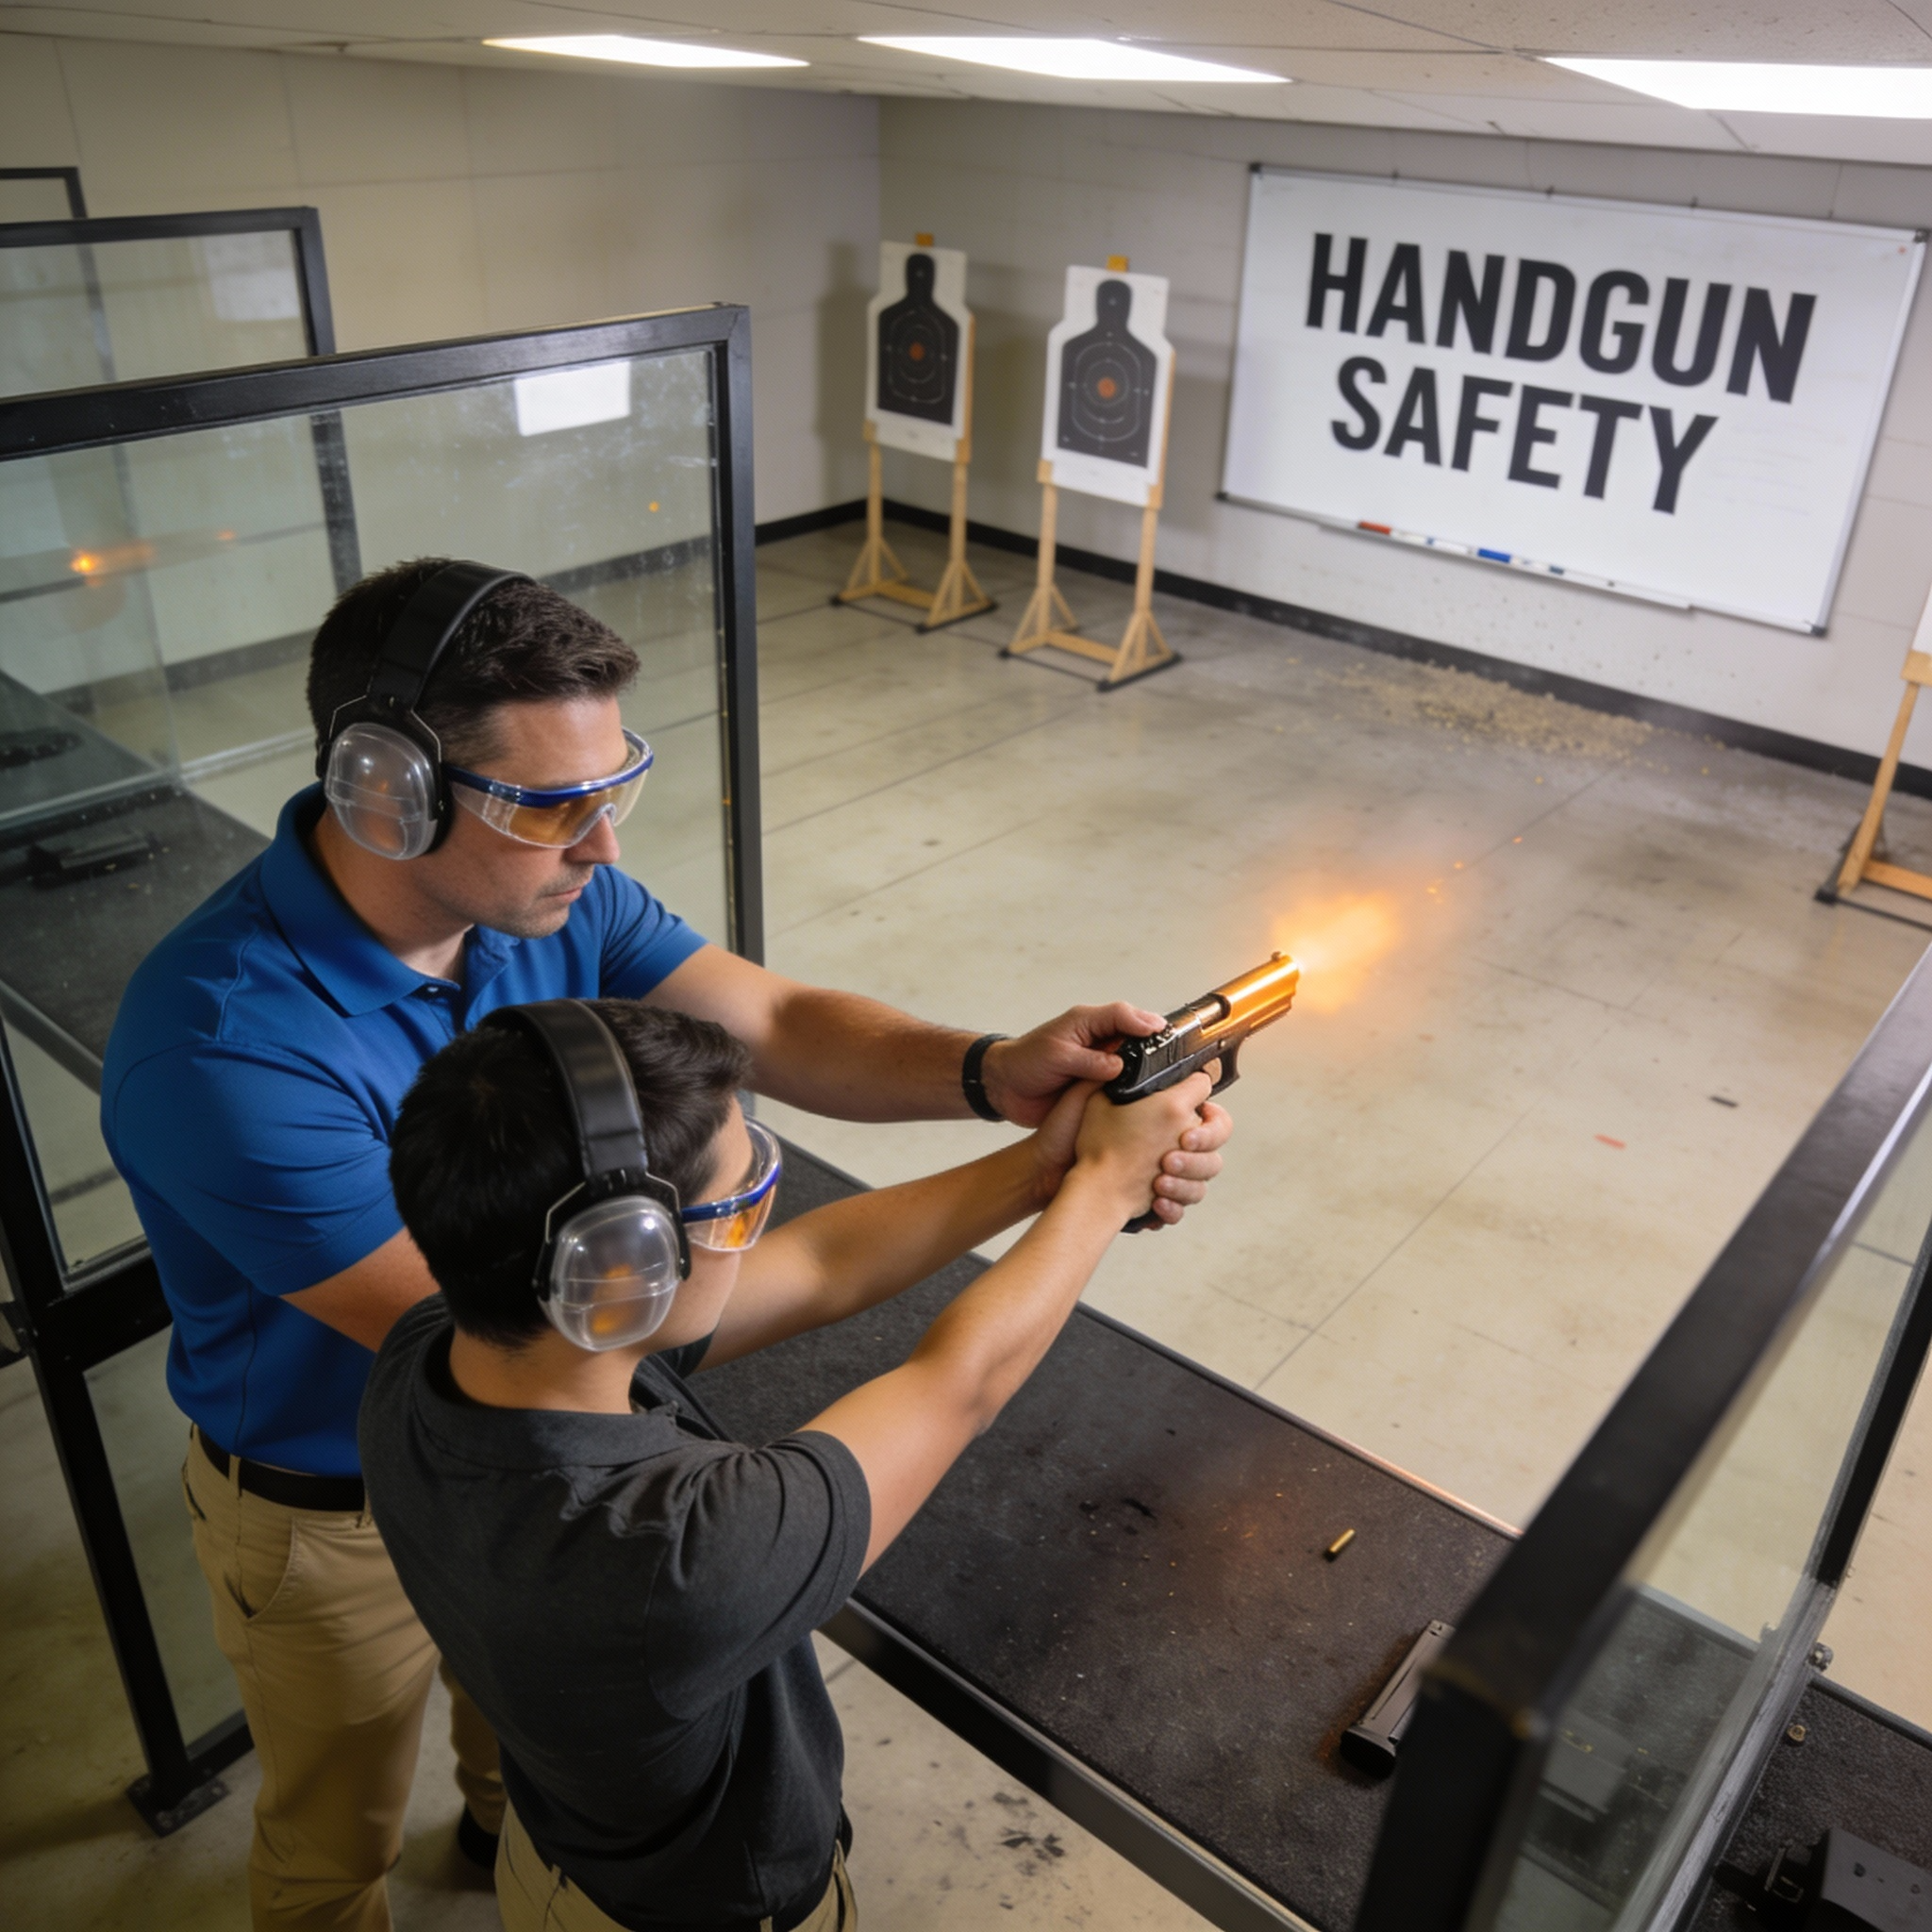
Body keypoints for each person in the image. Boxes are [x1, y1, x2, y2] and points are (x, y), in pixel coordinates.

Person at [99, 558, 1231, 1932]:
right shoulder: (220, 1053)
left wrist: (1003, 1080)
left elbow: (783, 1022)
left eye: (611, 789)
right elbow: (625, 1322)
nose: (604, 848)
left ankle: (520, 1847)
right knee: (331, 1846)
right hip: (329, 1505)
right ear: (384, 790)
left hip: (478, 1456)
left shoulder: (544, 900)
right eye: (552, 805)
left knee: (546, 1767)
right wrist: (1080, 1192)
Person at [361, 997, 1225, 1932]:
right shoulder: (682, 1551)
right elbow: (956, 1385)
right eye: (740, 1203)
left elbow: (820, 1262)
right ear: (622, 1267)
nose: (760, 1221)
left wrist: (1049, 1166)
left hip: (557, 1859)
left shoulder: (431, 1352)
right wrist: (1104, 1187)